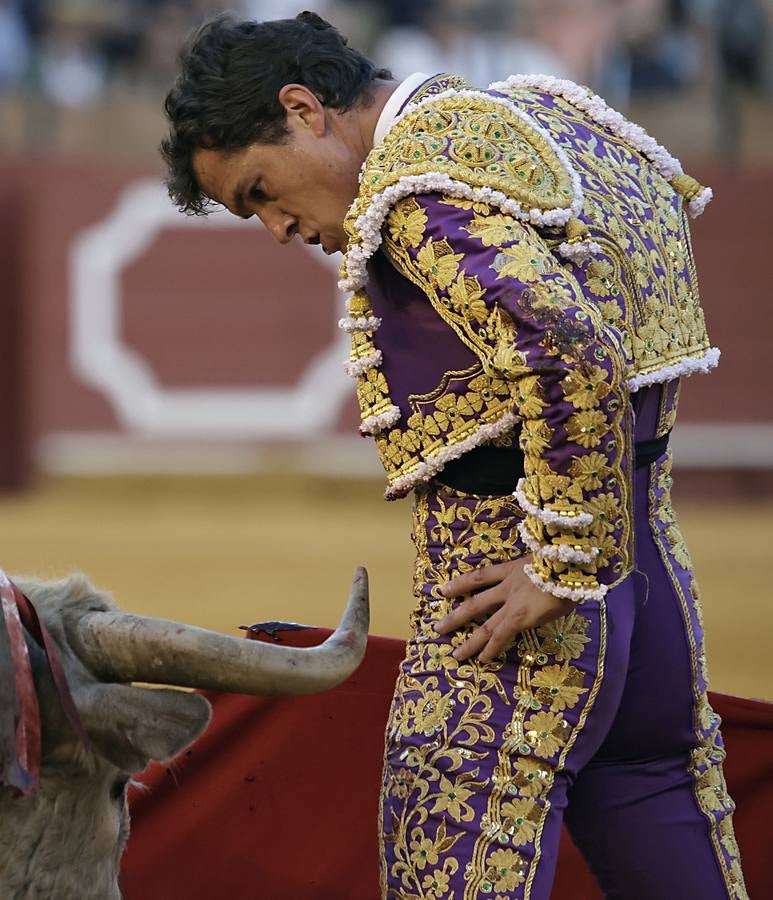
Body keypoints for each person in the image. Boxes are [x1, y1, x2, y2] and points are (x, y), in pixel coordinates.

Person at [160, 12, 746, 899]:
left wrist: (564, 560)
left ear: (303, 109)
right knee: (653, 799)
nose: (275, 227)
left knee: (452, 835)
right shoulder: (547, 117)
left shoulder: (416, 190)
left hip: (513, 591)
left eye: (258, 190)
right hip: (648, 573)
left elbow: (568, 348)